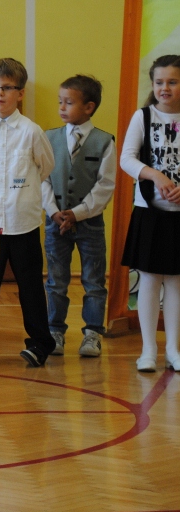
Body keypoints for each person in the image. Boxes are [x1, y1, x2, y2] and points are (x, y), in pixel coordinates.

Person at [0, 58, 56, 367]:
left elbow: (45, 167)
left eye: (7, 87)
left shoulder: (31, 132)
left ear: (21, 92)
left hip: (23, 223)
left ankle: (40, 343)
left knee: (30, 287)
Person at [42, 75, 115, 358]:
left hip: (90, 224)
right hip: (55, 222)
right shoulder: (49, 138)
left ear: (89, 107)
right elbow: (42, 179)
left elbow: (105, 185)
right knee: (56, 281)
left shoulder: (104, 141)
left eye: (69, 102)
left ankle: (92, 333)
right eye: (60, 101)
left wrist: (78, 213)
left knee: (94, 281)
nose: (62, 107)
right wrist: (54, 212)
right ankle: (55, 331)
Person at [120, 54, 180, 372]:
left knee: (176, 282)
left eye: (172, 82)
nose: (164, 88)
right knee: (149, 280)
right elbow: (127, 159)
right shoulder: (143, 117)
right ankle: (148, 350)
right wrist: (156, 176)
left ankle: (173, 349)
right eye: (159, 82)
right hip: (149, 213)